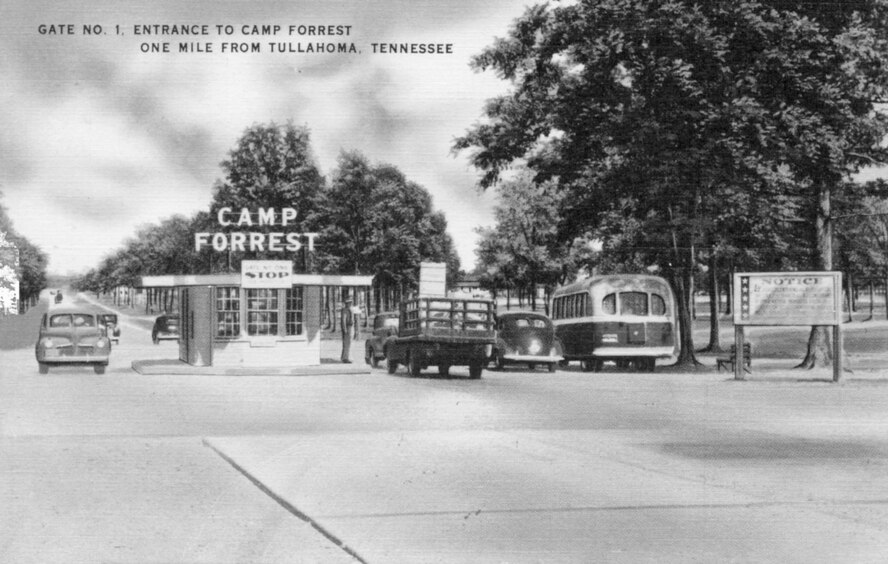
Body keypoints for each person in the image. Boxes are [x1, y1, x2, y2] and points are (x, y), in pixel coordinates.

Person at [340, 298, 354, 363]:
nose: (350, 303)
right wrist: (345, 329)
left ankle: (345, 356)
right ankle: (345, 358)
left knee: (350, 343)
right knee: (347, 343)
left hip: (351, 327)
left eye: (350, 302)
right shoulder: (345, 310)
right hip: (347, 327)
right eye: (349, 302)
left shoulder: (351, 310)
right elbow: (343, 320)